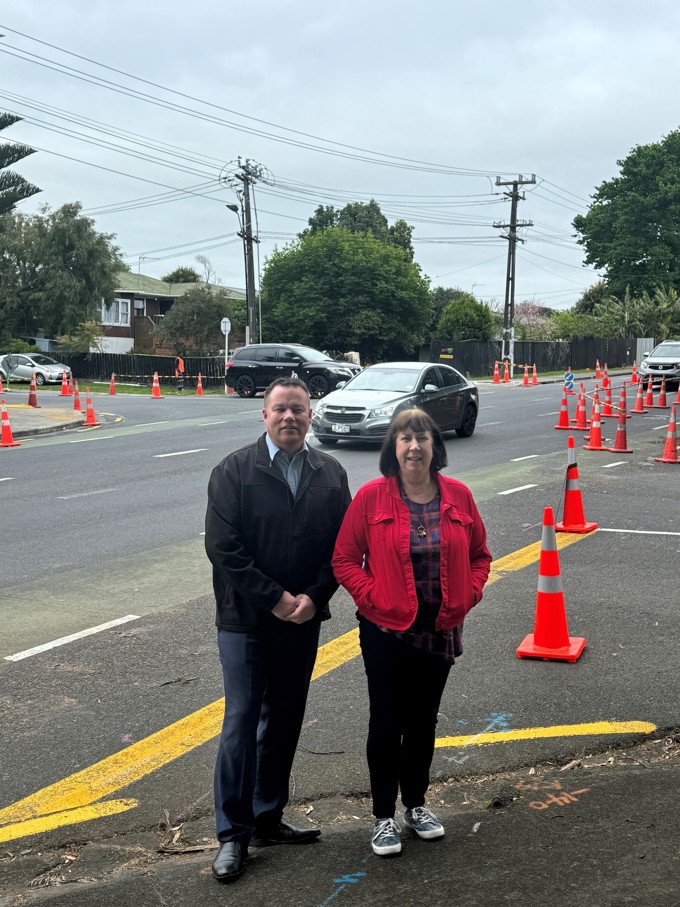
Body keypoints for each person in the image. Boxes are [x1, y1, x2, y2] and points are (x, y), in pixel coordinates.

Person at [205, 377, 351, 883]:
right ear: (263, 416)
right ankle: (232, 835)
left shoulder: (330, 473)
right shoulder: (233, 471)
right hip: (244, 620)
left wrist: (315, 597)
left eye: (299, 410)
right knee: (242, 722)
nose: (289, 418)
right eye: (280, 410)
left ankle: (267, 816)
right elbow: (224, 549)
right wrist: (275, 598)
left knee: (285, 718)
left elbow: (342, 547)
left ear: (311, 416)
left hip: (301, 619)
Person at [332, 408, 491, 857]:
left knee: (423, 722)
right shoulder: (371, 498)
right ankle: (383, 816)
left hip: (439, 631)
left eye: (422, 438)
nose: (414, 446)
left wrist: (468, 595)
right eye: (404, 438)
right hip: (386, 631)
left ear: (435, 448)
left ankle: (415, 805)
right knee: (386, 721)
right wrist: (373, 597)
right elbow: (344, 559)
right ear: (393, 447)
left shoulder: (458, 496)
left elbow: (481, 555)